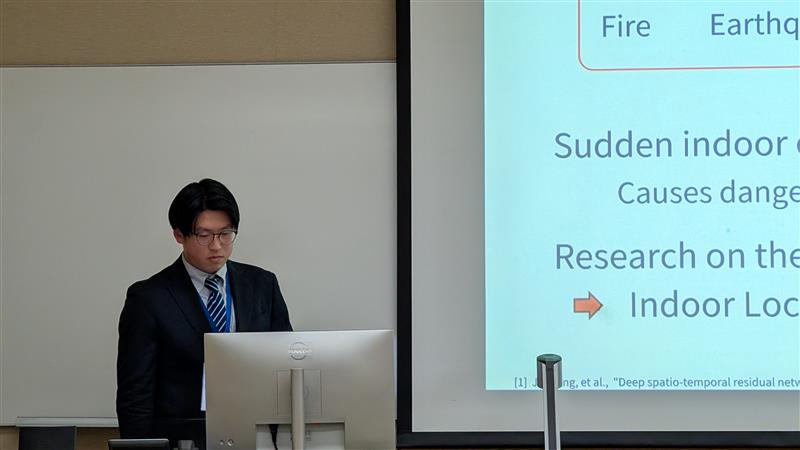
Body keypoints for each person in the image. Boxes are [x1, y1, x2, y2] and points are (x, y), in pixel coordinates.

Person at [116, 178, 292, 446]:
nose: (217, 245)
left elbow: (285, 364)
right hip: (184, 440)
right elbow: (135, 394)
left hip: (255, 434)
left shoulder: (262, 285)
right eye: (204, 235)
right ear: (179, 235)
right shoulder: (148, 298)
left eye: (225, 233)